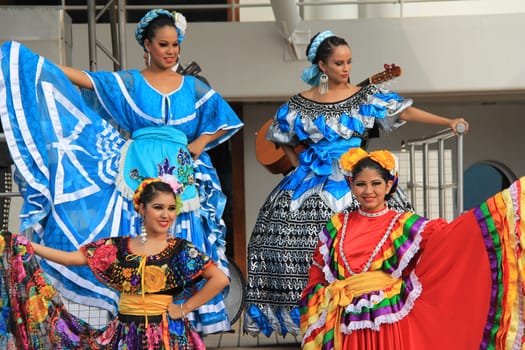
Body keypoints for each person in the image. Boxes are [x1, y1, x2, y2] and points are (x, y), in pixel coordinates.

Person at [0, 8, 242, 334]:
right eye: (163, 44)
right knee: (133, 242)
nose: (171, 51)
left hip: (182, 171)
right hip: (136, 169)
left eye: (175, 45)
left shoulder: (192, 88)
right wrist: (42, 66)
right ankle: (130, 321)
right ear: (147, 46)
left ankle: (182, 318)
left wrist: (200, 141)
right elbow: (87, 80)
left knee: (184, 244)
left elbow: (224, 117)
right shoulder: (130, 82)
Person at [244, 30, 469, 338]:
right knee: (283, 244)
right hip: (308, 181)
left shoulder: (365, 97)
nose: (347, 68)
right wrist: (300, 166)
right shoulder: (298, 104)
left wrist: (446, 122)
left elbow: (404, 110)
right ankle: (315, 318)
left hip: (357, 178)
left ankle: (373, 315)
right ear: (322, 67)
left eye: (349, 62)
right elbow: (282, 138)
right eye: (339, 63)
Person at [300, 148, 525, 349]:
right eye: (361, 184)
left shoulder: (405, 224)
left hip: (387, 322)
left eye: (376, 183)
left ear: (389, 185)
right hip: (344, 322)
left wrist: (496, 214)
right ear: (351, 185)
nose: (369, 190)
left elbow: (450, 240)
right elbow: (318, 271)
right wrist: (320, 297)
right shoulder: (337, 225)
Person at [0, 178, 229, 349]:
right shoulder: (119, 247)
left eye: (171, 209)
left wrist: (184, 308)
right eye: (158, 207)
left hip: (169, 335)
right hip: (125, 333)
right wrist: (26, 246)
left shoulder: (180, 249)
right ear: (142, 208)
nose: (166, 215)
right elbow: (72, 258)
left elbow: (219, 279)